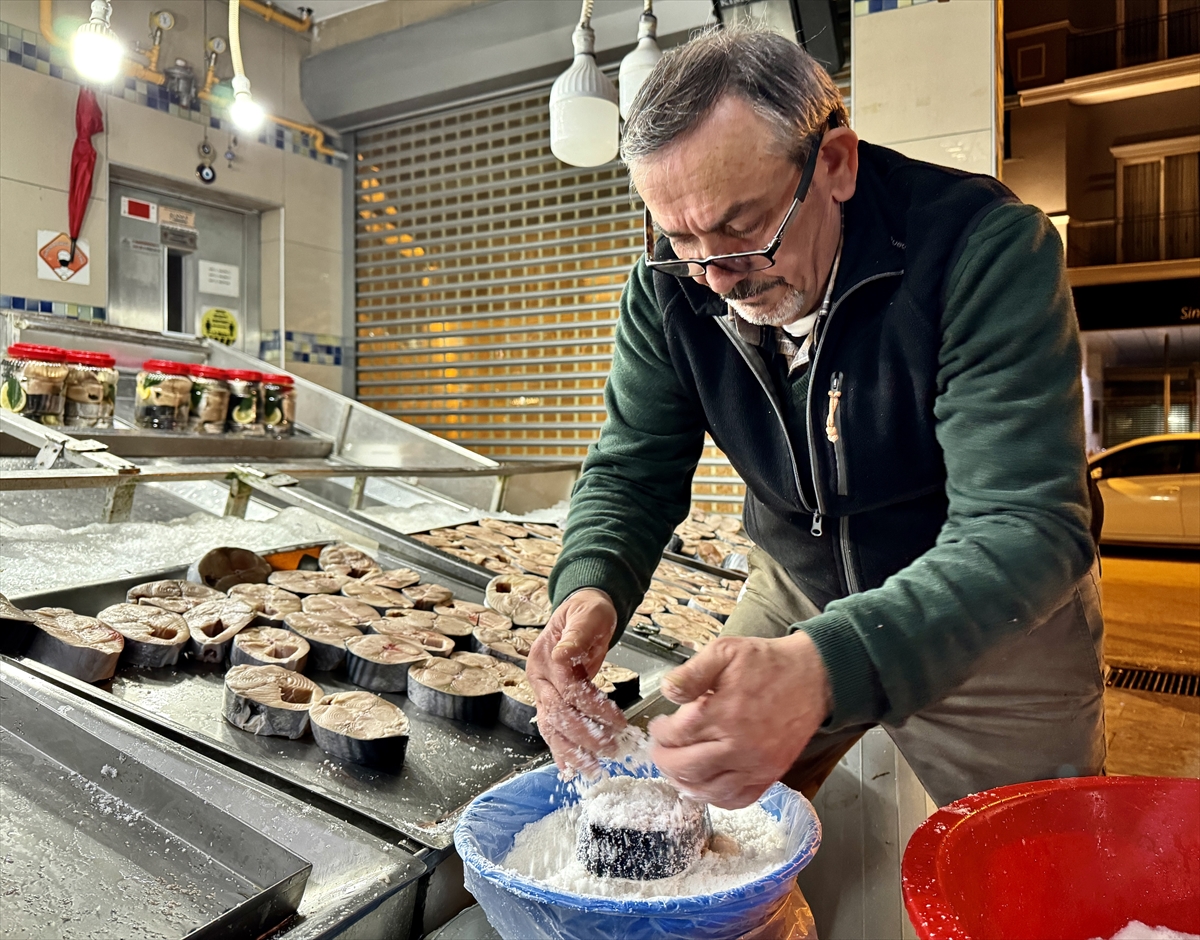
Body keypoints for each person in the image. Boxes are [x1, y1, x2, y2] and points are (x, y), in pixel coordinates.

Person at [526, 27, 1104, 810]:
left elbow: (1025, 525)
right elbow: (633, 467)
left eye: (741, 228)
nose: (717, 277)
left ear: (835, 163)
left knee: (1034, 874)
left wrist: (829, 666)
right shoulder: (672, 286)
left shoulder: (982, 250)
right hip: (798, 587)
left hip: (991, 622)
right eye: (680, 239)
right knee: (684, 830)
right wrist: (590, 585)